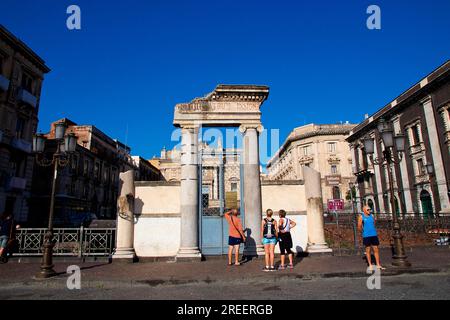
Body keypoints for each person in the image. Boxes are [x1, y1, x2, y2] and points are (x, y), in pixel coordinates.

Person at [358, 205, 386, 271]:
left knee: (376, 249)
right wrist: (364, 232)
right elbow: (359, 226)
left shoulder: (372, 216)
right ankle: (370, 265)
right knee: (368, 250)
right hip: (366, 235)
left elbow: (374, 223)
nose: (369, 211)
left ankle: (378, 264)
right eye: (368, 210)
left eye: (370, 209)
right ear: (364, 210)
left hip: (373, 234)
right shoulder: (361, 217)